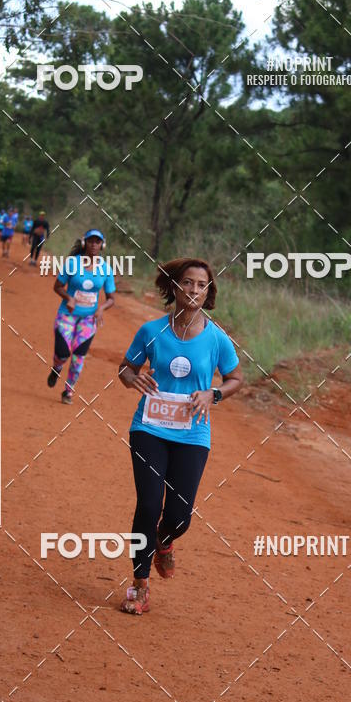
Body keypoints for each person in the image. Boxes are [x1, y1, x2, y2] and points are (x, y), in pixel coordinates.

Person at [118, 258, 244, 615]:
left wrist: (213, 394)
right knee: (147, 505)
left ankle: (164, 541)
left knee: (179, 516)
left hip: (192, 433)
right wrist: (133, 379)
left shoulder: (218, 339)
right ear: (173, 286)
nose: (193, 290)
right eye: (187, 283)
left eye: (201, 285)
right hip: (149, 428)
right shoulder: (151, 331)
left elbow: (236, 378)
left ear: (209, 292)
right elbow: (126, 368)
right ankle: (140, 586)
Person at [47, 229, 115, 404]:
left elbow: (111, 299)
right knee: (62, 353)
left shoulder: (106, 269)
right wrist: (69, 297)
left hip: (88, 319)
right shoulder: (72, 263)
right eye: (91, 241)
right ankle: (57, 368)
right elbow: (57, 286)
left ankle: (68, 391)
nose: (94, 244)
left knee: (78, 357)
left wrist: (101, 309)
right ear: (85, 243)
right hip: (67, 315)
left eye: (97, 242)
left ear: (102, 245)